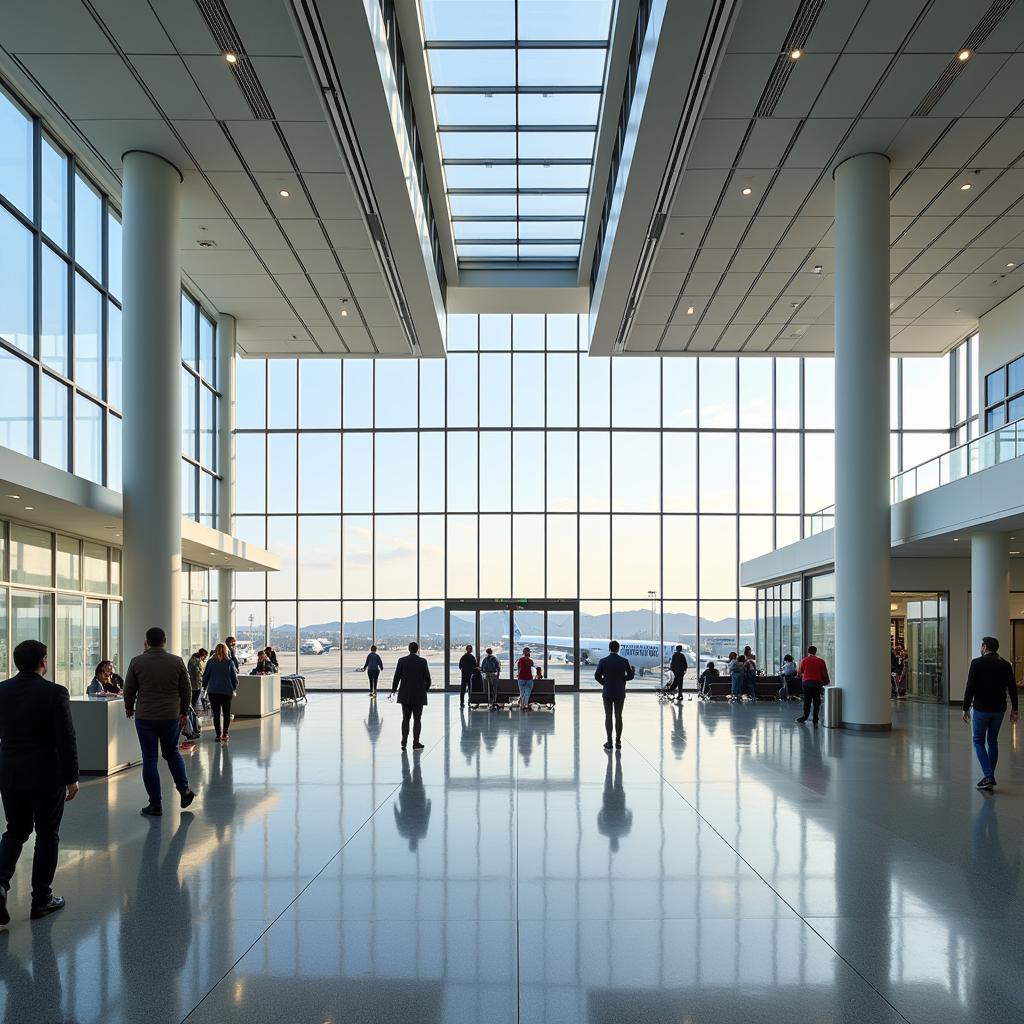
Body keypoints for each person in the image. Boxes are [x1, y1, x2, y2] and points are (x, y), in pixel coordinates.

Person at [0, 640, 79, 923]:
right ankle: (41, 900)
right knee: (47, 834)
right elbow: (66, 738)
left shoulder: (2, 690)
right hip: (46, 774)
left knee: (16, 830)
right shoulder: (55, 693)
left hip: (10, 772)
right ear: (43, 661)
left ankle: (0, 884)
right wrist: (72, 777)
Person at [122, 627, 196, 817]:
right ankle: (184, 789)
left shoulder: (137, 661)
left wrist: (129, 707)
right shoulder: (176, 661)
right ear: (164, 640)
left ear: (146, 642)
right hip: (171, 715)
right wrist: (183, 711)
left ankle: (155, 804)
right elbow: (186, 688)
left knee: (149, 759)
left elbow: (129, 688)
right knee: (171, 752)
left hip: (146, 715)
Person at [962, 636, 1019, 791]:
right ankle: (989, 778)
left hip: (981, 708)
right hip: (999, 709)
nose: (980, 648)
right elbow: (1012, 688)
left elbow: (970, 687)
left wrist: (965, 707)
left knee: (978, 741)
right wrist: (1015, 709)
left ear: (985, 647)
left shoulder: (977, 663)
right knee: (992, 741)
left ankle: (988, 776)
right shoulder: (1006, 665)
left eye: (982, 645)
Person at [390, 642, 431, 751]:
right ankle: (416, 742)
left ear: (409, 649)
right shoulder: (422, 661)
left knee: (405, 718)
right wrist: (424, 690)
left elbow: (397, 677)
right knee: (417, 719)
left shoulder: (402, 661)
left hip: (405, 694)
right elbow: (428, 679)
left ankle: (404, 741)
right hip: (418, 695)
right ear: (417, 649)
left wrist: (394, 689)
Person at [595, 640, 635, 750]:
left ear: (609, 648)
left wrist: (604, 682)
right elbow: (631, 676)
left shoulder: (603, 661)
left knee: (608, 716)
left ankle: (609, 741)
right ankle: (618, 741)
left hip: (607, 692)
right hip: (620, 692)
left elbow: (597, 676)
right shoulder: (624, 661)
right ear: (618, 649)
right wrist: (623, 679)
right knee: (618, 716)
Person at [203, 643, 239, 743]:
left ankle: (218, 735)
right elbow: (234, 678)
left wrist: (204, 686)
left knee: (216, 714)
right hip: (226, 692)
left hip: (213, 691)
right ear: (226, 650)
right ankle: (225, 734)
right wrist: (234, 688)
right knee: (226, 713)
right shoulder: (229, 662)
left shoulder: (210, 662)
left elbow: (205, 676)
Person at [796, 645, 830, 725]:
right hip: (817, 684)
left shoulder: (804, 660)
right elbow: (825, 672)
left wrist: (799, 676)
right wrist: (827, 681)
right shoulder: (821, 661)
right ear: (815, 652)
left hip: (807, 683)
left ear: (808, 652)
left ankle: (805, 717)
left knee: (807, 701)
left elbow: (800, 673)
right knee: (816, 701)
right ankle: (815, 719)